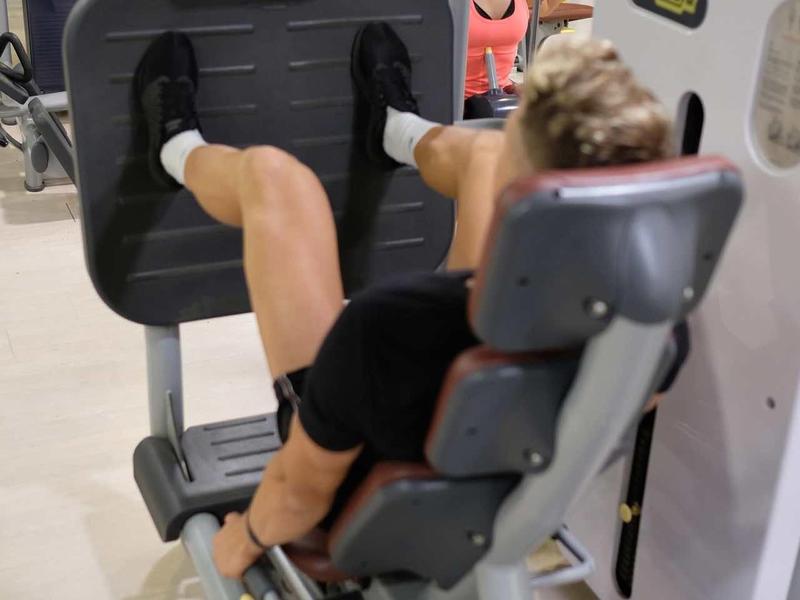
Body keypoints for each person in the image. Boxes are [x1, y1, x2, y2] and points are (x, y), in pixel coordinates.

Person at [132, 25, 681, 580]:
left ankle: (176, 147)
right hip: (492, 442)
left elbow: (301, 495)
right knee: (484, 151)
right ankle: (394, 128)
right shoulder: (654, 328)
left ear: (530, 191)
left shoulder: (390, 324)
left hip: (374, 492)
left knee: (276, 178)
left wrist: (243, 540)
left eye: (516, 126)